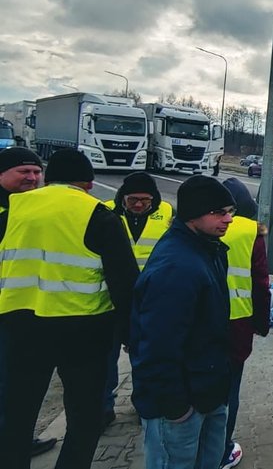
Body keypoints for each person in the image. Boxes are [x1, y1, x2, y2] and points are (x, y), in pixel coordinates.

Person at [0, 148, 138, 469]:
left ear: (48, 178)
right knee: (84, 417)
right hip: (84, 333)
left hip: (21, 328)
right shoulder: (100, 215)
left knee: (17, 415)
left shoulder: (13, 211)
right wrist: (131, 334)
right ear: (88, 184)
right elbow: (125, 283)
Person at [130, 176, 236, 469]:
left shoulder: (208, 249)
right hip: (180, 404)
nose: (228, 219)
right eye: (218, 212)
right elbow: (156, 345)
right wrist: (175, 407)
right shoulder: (177, 266)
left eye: (230, 211)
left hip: (207, 391)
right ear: (192, 215)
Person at [101, 172, 173, 431]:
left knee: (145, 356)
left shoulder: (166, 212)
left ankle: (144, 404)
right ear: (123, 198)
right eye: (134, 200)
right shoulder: (106, 212)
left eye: (146, 200)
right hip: (110, 298)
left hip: (149, 299)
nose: (140, 205)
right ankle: (104, 407)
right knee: (106, 356)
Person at [0, 147, 58, 457]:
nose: (33, 177)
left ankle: (19, 439)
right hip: (6, 314)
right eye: (24, 172)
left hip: (23, 312)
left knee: (20, 388)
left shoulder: (33, 206)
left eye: (37, 172)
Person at [219, 178, 273, 469]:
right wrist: (262, 324)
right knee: (229, 392)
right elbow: (261, 284)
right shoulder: (253, 231)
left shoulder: (193, 223)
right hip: (237, 324)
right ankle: (222, 450)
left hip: (199, 323)